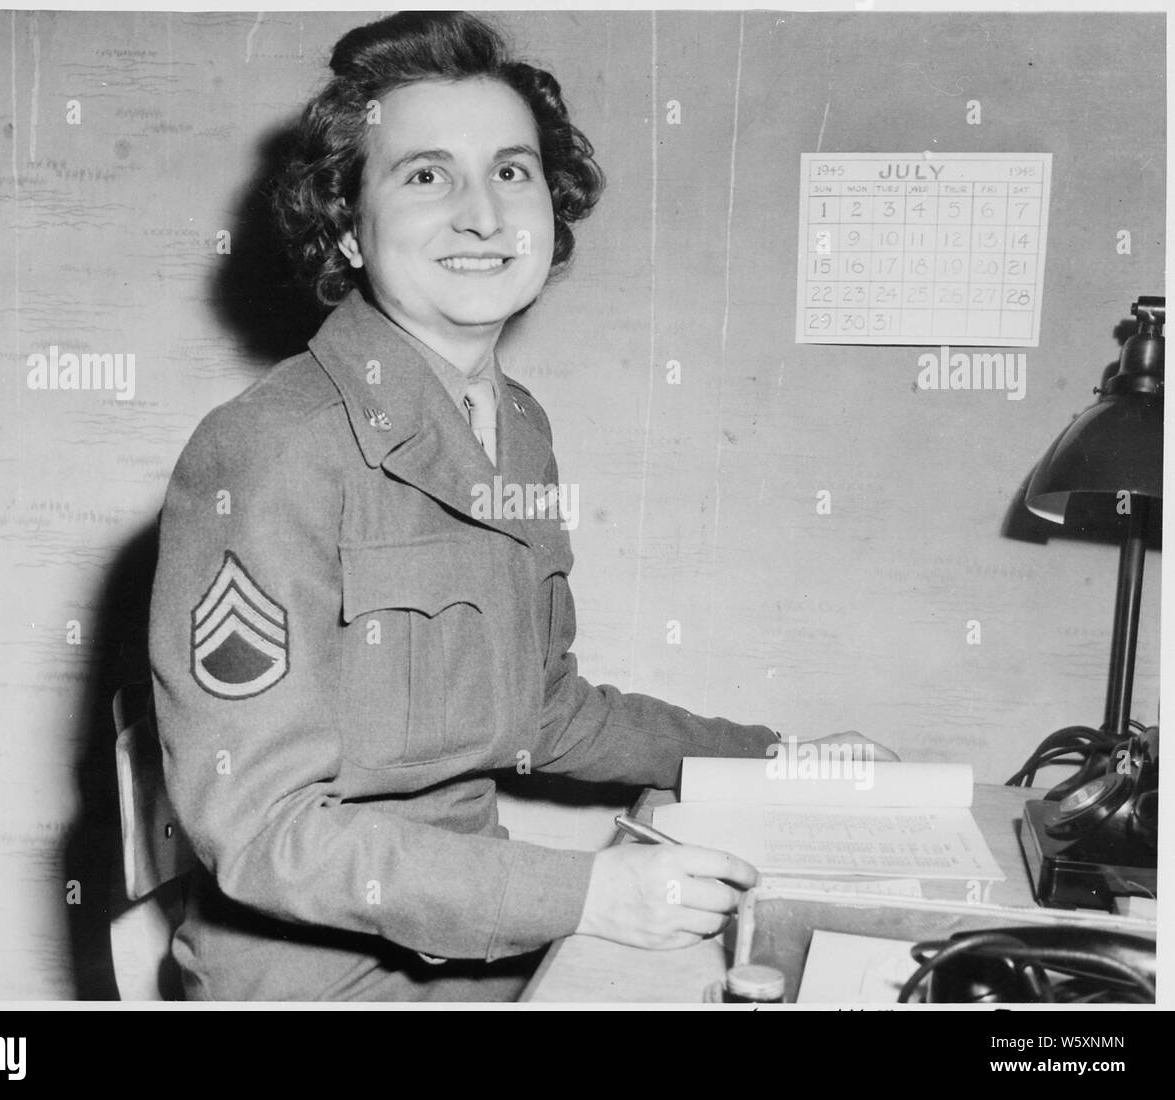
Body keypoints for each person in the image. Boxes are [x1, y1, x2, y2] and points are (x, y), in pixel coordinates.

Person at [148, 10, 894, 1002]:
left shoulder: (515, 425)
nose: (482, 215)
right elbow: (259, 829)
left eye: (510, 171)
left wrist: (774, 762)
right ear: (345, 227)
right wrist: (584, 892)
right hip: (320, 976)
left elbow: (546, 710)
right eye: (424, 175)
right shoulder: (268, 448)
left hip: (471, 947)